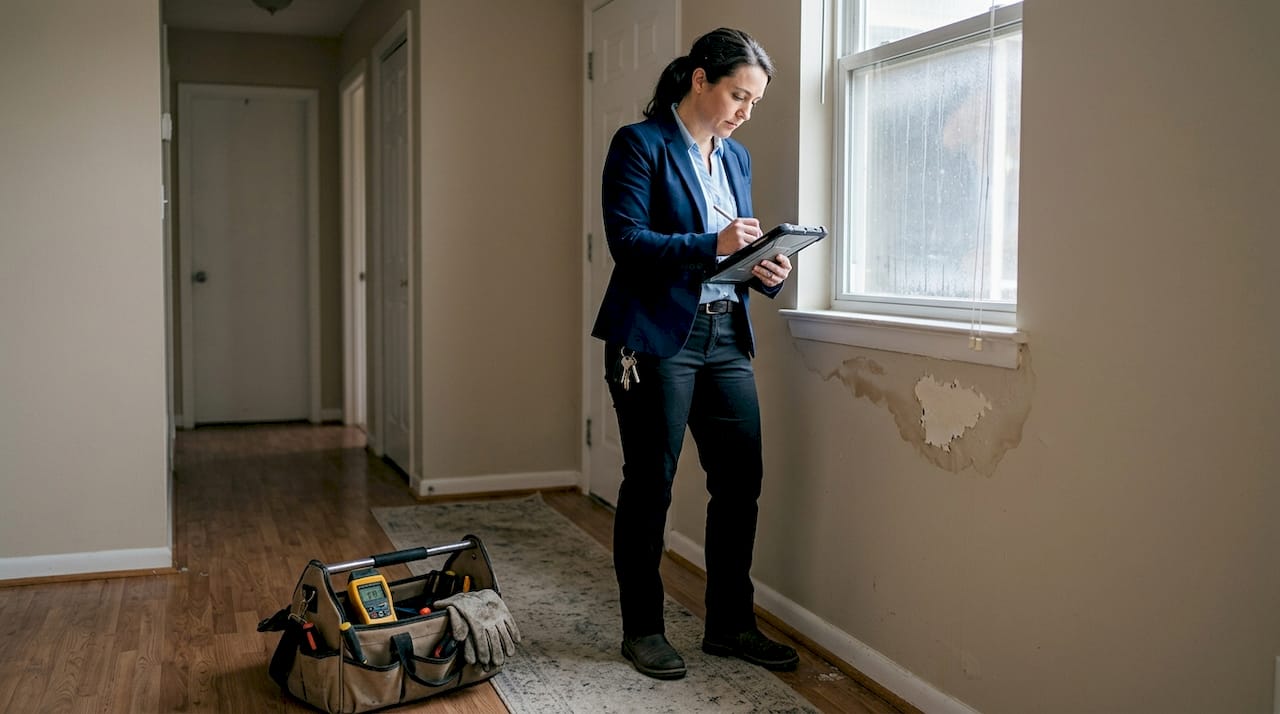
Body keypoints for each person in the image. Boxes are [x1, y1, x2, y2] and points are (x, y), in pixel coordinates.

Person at [591, 27, 798, 680]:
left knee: (741, 481)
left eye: (754, 102)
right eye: (739, 94)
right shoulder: (639, 144)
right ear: (700, 80)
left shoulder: (735, 160)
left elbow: (730, 249)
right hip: (654, 338)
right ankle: (642, 629)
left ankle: (731, 624)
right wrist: (713, 244)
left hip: (725, 336)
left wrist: (763, 267)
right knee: (650, 485)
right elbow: (627, 242)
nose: (744, 111)